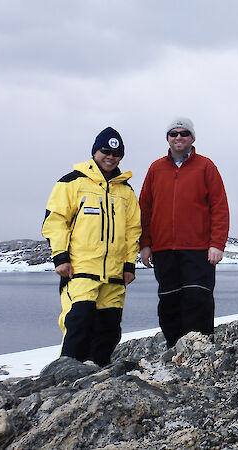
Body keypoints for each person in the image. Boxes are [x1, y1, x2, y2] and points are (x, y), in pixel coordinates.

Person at [42, 127, 141, 366]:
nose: (110, 157)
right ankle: (65, 380)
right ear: (95, 152)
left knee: (108, 330)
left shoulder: (126, 192)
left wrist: (129, 265)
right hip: (80, 272)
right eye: (105, 151)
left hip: (115, 275)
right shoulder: (71, 182)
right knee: (79, 323)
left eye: (116, 154)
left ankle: (97, 381)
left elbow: (132, 231)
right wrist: (60, 257)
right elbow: (55, 221)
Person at [139, 117, 230, 348]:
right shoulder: (156, 168)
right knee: (169, 301)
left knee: (198, 298)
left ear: (192, 138)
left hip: (198, 249)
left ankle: (200, 349)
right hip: (163, 250)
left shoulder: (206, 166)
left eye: (184, 133)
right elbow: (145, 209)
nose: (178, 137)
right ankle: (174, 349)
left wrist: (217, 243)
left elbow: (219, 206)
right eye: (173, 133)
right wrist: (145, 244)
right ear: (167, 138)